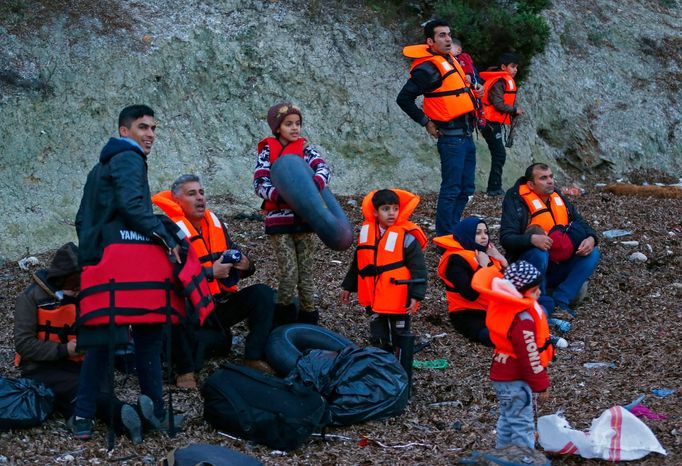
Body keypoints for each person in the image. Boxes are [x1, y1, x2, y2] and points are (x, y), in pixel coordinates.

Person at [73, 105, 184, 440]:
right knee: (148, 338)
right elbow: (133, 206)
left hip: (103, 260)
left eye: (153, 128)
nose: (149, 134)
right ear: (124, 131)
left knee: (103, 343)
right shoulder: (128, 157)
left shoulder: (101, 165)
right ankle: (157, 412)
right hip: (127, 264)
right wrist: (166, 237)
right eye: (142, 127)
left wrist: (92, 253)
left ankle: (82, 417)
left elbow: (82, 217)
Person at [13, 243, 144, 443]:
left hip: (87, 363)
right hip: (45, 367)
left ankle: (114, 417)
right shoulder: (30, 298)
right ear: (60, 281)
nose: (78, 292)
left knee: (96, 383)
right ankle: (124, 414)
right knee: (81, 389)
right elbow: (23, 344)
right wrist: (65, 349)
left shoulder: (90, 294)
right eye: (74, 288)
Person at [152, 174, 276, 380]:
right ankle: (185, 374)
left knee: (263, 294)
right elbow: (168, 280)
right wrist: (210, 273)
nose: (200, 198)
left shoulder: (214, 225)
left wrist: (247, 265)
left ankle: (253, 357)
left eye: (201, 192)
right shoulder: (167, 233)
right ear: (177, 201)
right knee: (174, 310)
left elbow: (242, 262)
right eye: (192, 194)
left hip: (216, 306)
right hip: (189, 311)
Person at [397, 19, 481, 236]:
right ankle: (445, 237)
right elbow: (404, 98)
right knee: (452, 189)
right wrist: (425, 122)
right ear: (430, 41)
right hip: (451, 138)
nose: (448, 38)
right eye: (442, 35)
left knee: (466, 189)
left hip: (466, 135)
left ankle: (452, 231)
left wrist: (474, 93)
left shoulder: (450, 60)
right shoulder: (427, 68)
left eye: (449, 34)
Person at [254, 102, 331, 325]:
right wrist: (279, 195)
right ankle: (282, 323)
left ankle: (309, 323)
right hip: (279, 222)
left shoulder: (305, 149)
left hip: (305, 220)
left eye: (297, 124)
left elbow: (323, 169)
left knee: (307, 276)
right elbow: (260, 181)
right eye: (289, 124)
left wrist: (313, 186)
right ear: (277, 128)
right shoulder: (268, 151)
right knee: (289, 274)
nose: (295, 128)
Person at [500, 163, 600, 320]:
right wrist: (532, 239)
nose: (550, 181)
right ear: (531, 184)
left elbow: (581, 223)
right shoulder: (516, 200)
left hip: (559, 263)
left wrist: (591, 238)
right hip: (532, 265)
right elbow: (506, 238)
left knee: (592, 252)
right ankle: (541, 301)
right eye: (544, 178)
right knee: (539, 253)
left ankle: (562, 300)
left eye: (551, 177)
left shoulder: (558, 197)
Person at [471, 260, 553, 450]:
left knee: (508, 418)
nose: (539, 293)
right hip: (515, 378)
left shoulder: (506, 308)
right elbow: (530, 356)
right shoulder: (522, 319)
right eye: (534, 290)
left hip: (501, 374)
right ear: (519, 292)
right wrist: (541, 385)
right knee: (522, 424)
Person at [340, 189, 427, 351]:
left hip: (398, 295)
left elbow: (419, 269)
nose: (391, 213)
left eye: (395, 208)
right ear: (375, 212)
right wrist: (348, 287)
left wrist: (416, 295)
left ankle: (402, 355)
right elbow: (358, 262)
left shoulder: (407, 239)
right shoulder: (367, 235)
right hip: (374, 295)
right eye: (386, 209)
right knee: (378, 333)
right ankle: (381, 352)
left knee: (400, 333)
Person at [433, 217, 508, 346]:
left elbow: (513, 284)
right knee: (496, 338)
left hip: (494, 310)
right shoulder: (455, 260)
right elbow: (469, 294)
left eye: (486, 232)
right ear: (466, 234)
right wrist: (482, 267)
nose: (484, 237)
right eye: (478, 233)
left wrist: (503, 260)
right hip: (469, 314)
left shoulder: (488, 254)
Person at [480, 52, 524, 196]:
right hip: (489, 123)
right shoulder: (499, 82)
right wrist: (514, 109)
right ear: (503, 67)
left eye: (516, 67)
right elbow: (498, 104)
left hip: (492, 123)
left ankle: (495, 187)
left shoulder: (502, 80)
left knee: (498, 154)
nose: (515, 70)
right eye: (512, 66)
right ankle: (494, 188)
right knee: (499, 154)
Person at [451, 38, 486, 128]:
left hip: (472, 81)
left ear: (458, 49)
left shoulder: (463, 56)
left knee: (477, 100)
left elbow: (469, 66)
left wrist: (468, 74)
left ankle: (481, 117)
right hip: (466, 84)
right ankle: (475, 119)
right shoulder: (452, 59)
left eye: (450, 47)